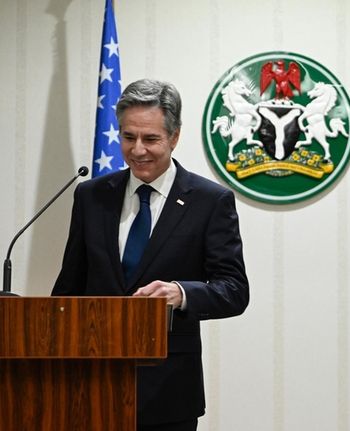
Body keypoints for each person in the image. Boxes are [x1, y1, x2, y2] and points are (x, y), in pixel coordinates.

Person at [52, 78, 249, 430]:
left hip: (168, 393)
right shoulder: (91, 196)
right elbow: (69, 287)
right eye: (128, 137)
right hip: (91, 387)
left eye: (151, 139)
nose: (137, 149)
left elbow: (234, 290)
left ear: (174, 137)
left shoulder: (209, 201)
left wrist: (183, 293)